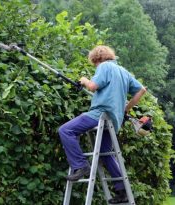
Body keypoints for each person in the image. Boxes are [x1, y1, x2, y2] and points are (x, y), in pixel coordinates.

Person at [58, 45, 146, 204]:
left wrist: (84, 80)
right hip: (114, 119)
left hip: (99, 114)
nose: (95, 67)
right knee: (106, 153)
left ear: (97, 59)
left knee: (65, 130)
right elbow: (142, 90)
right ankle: (123, 191)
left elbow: (92, 86)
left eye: (94, 64)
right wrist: (126, 108)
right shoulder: (124, 72)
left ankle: (80, 165)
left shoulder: (104, 66)